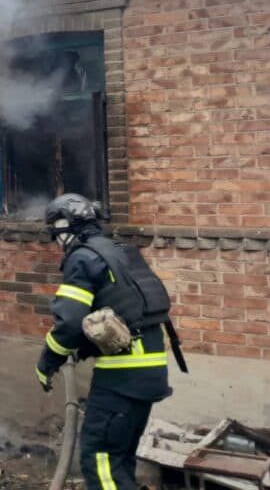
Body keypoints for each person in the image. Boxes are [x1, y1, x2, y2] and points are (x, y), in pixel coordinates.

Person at [36, 193, 181, 490]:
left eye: (56, 233)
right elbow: (124, 309)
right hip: (150, 374)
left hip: (121, 381)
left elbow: (69, 324)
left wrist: (46, 362)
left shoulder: (82, 257)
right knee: (120, 462)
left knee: (99, 460)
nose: (57, 241)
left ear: (65, 227)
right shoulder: (123, 252)